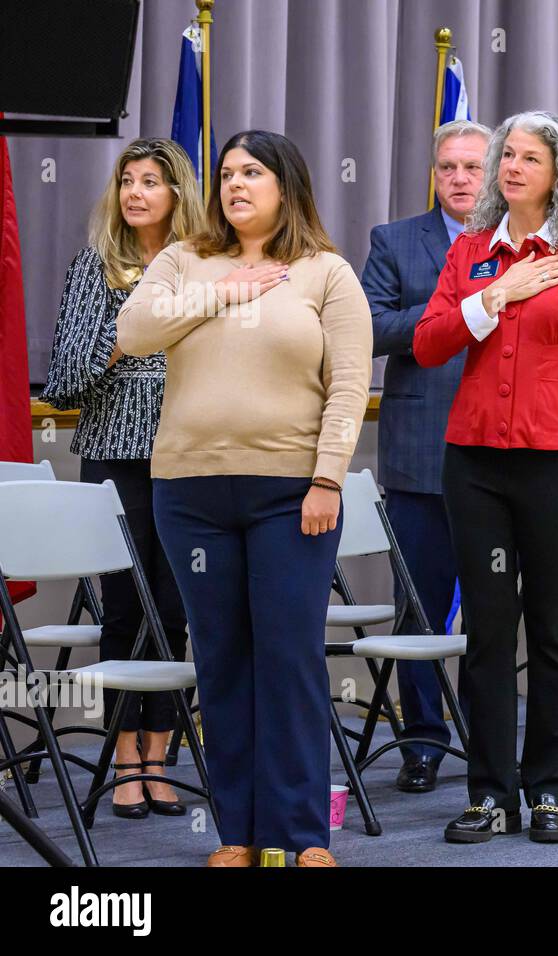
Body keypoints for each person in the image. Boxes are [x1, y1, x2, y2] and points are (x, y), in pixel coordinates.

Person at [117, 130, 372, 866]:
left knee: (288, 658)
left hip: (292, 494)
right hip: (190, 493)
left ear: (285, 185)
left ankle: (301, 836)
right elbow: (133, 332)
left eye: (252, 172)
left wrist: (328, 476)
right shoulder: (182, 259)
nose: (234, 184)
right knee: (224, 661)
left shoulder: (325, 272)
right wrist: (221, 291)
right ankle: (239, 835)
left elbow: (350, 385)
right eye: (226, 173)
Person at [413, 110, 558, 844]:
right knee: (487, 632)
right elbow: (427, 344)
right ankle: (489, 793)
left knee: (550, 627)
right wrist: (497, 295)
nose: (511, 167)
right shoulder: (474, 253)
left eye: (529, 158)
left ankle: (548, 791)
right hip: (475, 465)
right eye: (505, 156)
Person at [42, 138, 204, 819]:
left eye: (152, 182)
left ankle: (161, 757)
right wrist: (129, 332)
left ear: (177, 196)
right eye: (128, 181)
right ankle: (124, 755)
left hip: (189, 453)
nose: (136, 192)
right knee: (123, 608)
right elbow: (65, 380)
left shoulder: (204, 269)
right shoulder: (95, 269)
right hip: (113, 454)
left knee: (174, 606)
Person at [360, 119, 491, 793]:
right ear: (434, 174)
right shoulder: (394, 240)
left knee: (495, 608)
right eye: (448, 168)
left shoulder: (524, 241)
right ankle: (421, 741)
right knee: (419, 606)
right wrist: (457, 315)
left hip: (502, 454)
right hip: (420, 453)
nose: (461, 179)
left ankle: (484, 737)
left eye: (473, 166)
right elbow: (371, 327)